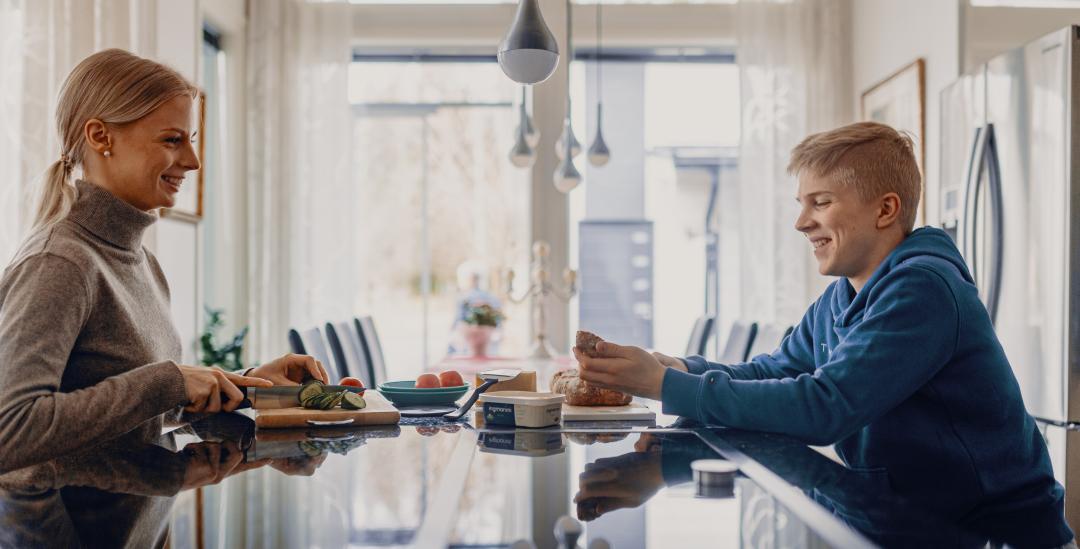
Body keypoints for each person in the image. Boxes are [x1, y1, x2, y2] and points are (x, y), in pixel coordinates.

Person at [574, 121, 1074, 545]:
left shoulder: (923, 290)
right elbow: (773, 370)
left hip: (994, 534)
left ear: (885, 209)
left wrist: (665, 388)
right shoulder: (844, 295)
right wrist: (677, 368)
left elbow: (825, 407)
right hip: (907, 520)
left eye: (821, 201)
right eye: (802, 202)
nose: (800, 221)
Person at [0, 49, 328, 474]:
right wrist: (167, 381)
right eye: (173, 140)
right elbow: (12, 431)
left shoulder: (141, 261)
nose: (192, 161)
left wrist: (247, 387)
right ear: (101, 137)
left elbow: (128, 415)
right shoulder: (59, 263)